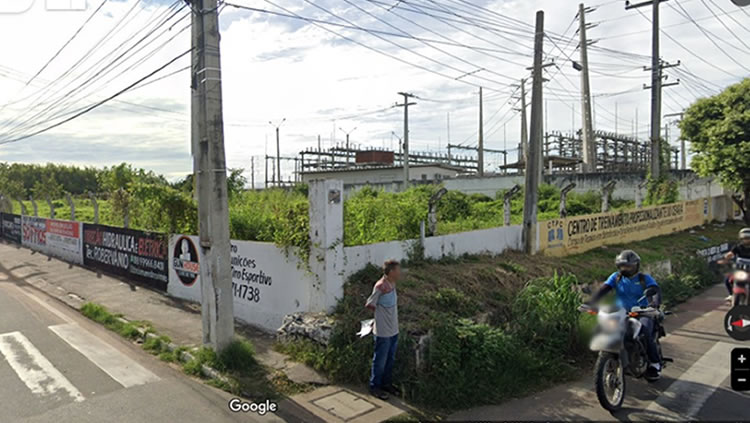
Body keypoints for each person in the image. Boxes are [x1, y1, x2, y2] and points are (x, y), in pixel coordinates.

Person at [587, 250, 663, 381]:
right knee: (604, 329)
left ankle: (655, 364)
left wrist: (654, 304)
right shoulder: (616, 277)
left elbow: (655, 291)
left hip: (642, 312)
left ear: (636, 266)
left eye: (629, 266)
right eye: (622, 266)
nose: (625, 269)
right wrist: (591, 302)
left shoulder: (644, 278)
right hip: (620, 313)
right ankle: (611, 360)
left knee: (644, 332)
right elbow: (603, 290)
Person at [365, 259, 401, 400]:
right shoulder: (381, 286)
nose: (400, 272)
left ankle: (386, 384)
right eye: (398, 270)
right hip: (383, 331)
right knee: (380, 360)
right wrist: (379, 315)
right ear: (391, 272)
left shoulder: (392, 283)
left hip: (393, 329)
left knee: (390, 359)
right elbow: (370, 303)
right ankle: (375, 387)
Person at [721, 228, 750, 300]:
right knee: (728, 280)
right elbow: (731, 253)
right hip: (740, 268)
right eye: (744, 238)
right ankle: (731, 294)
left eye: (748, 238)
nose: (746, 240)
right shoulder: (738, 247)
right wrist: (727, 256)